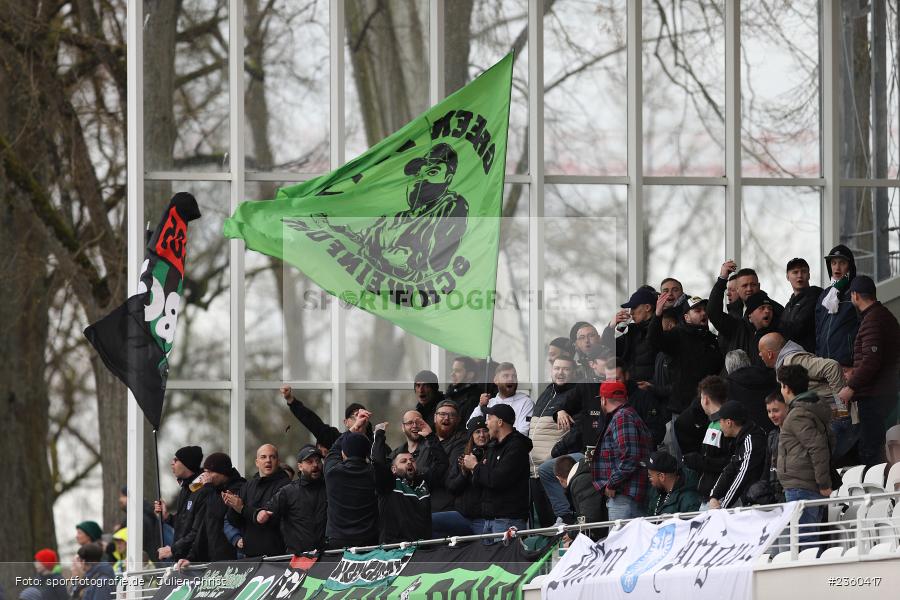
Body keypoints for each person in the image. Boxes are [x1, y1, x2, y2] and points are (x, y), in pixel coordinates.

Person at [838, 276, 900, 466]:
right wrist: (855, 371)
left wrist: (851, 385)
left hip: (875, 396)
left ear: (855, 296)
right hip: (883, 392)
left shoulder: (873, 319)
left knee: (872, 450)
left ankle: (879, 493)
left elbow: (871, 361)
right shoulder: (882, 316)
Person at [462, 404, 532, 540]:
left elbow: (497, 480)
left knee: (504, 561)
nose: (486, 423)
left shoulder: (516, 447)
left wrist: (476, 467)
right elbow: (480, 482)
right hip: (489, 519)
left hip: (508, 521)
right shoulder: (493, 446)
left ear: (500, 422)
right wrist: (476, 470)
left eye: (489, 418)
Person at [776, 364, 833, 528]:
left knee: (805, 541)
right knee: (807, 539)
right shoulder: (808, 409)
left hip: (801, 488)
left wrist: (823, 483)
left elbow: (818, 448)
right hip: (804, 486)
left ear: (786, 388)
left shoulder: (797, 414)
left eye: (781, 386)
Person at [648, 294, 724, 417]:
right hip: (682, 409)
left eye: (704, 310)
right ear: (687, 317)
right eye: (697, 311)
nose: (703, 313)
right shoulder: (677, 335)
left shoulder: (711, 339)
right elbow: (653, 339)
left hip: (709, 408)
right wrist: (657, 315)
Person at [591, 380, 652, 520]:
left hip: (625, 494)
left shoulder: (622, 417)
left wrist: (612, 483)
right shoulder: (626, 415)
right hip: (628, 494)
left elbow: (631, 456)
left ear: (604, 399)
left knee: (619, 541)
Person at [530, 355, 577, 525]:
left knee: (562, 523)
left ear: (574, 372)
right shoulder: (547, 391)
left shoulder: (575, 394)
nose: (560, 372)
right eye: (557, 368)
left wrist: (555, 453)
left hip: (555, 471)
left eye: (566, 369)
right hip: (534, 471)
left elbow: (577, 430)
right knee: (545, 526)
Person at [178, 452, 246, 566]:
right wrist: (191, 558)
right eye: (205, 472)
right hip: (214, 560)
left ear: (223, 472)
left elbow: (218, 512)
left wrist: (208, 487)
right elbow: (205, 526)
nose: (206, 476)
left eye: (210, 472)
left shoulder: (239, 487)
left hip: (233, 559)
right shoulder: (213, 490)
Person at [257, 444, 327, 554]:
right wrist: (260, 513)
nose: (315, 465)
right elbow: (267, 510)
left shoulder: (329, 488)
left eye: (318, 461)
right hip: (298, 558)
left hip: (326, 556)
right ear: (300, 466)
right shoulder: (288, 491)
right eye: (309, 462)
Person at [323, 413, 379, 549]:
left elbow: (333, 450)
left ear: (344, 453)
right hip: (368, 540)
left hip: (337, 540)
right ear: (366, 453)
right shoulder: (374, 473)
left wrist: (354, 427)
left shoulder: (332, 472)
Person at [225, 444, 291, 557]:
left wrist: (241, 508)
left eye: (272, 457)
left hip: (276, 557)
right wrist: (233, 506)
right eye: (263, 457)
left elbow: (268, 517)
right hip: (250, 557)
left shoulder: (285, 485)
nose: (268, 461)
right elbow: (235, 521)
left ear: (278, 461)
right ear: (257, 462)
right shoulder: (248, 486)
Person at [679, 376, 734, 508]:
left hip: (720, 498)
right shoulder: (712, 424)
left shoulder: (727, 424)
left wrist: (699, 461)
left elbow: (730, 462)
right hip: (709, 496)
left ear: (705, 399)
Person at [373, 424, 432, 543]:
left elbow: (442, 464)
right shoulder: (389, 484)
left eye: (412, 460)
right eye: (403, 461)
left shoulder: (423, 482)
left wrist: (431, 437)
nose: (409, 463)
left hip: (422, 549)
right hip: (395, 549)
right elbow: (378, 462)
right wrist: (379, 435)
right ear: (393, 469)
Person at [432, 417, 489, 537]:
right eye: (477, 432)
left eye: (485, 430)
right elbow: (451, 487)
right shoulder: (463, 457)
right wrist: (464, 472)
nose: (482, 435)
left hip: (484, 518)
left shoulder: (494, 454)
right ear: (471, 436)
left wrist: (476, 468)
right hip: (462, 516)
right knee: (427, 521)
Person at [708, 401, 766, 509]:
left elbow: (743, 476)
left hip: (760, 501)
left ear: (729, 422)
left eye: (720, 422)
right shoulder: (741, 439)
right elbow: (730, 469)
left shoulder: (751, 439)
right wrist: (714, 496)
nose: (720, 427)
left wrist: (723, 507)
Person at [283, 384, 370, 451]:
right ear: (346, 422)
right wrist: (291, 400)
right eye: (356, 415)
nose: (359, 420)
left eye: (362, 416)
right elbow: (312, 421)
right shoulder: (336, 439)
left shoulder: (375, 441)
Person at [155, 445, 204, 561]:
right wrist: (167, 517)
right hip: (181, 560)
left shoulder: (202, 490)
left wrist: (172, 549)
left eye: (176, 460)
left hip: (195, 562)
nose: (172, 463)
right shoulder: (185, 489)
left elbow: (197, 531)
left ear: (187, 464)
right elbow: (184, 524)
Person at [606, 357, 668, 449]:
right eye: (609, 380)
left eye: (617, 379)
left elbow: (657, 432)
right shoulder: (605, 399)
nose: (613, 383)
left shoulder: (644, 398)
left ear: (626, 375)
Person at [600, 287, 658, 381]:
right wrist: (611, 327)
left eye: (634, 307)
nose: (631, 312)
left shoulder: (661, 328)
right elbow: (608, 347)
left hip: (651, 390)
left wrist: (653, 386)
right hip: (632, 388)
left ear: (647, 307)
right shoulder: (633, 331)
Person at [815, 245, 859, 366]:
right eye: (833, 263)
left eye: (842, 263)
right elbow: (818, 331)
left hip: (847, 365)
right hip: (824, 365)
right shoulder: (825, 294)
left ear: (850, 266)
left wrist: (856, 363)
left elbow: (865, 328)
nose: (837, 267)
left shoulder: (856, 291)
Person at [391, 410, 449, 492]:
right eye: (410, 422)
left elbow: (442, 463)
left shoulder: (433, 448)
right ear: (403, 427)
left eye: (418, 422)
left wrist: (430, 436)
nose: (414, 426)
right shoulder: (396, 454)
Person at [469, 362, 533, 435]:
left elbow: (523, 432)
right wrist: (480, 405)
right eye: (506, 376)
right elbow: (470, 426)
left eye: (514, 376)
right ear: (496, 380)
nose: (511, 379)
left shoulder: (525, 402)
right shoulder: (490, 403)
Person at [724, 349, 778, 433]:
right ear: (748, 360)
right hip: (775, 428)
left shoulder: (729, 386)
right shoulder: (768, 375)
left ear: (728, 368)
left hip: (750, 435)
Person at [430, 399, 467, 513]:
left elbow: (448, 475)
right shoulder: (426, 441)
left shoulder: (462, 442)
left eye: (451, 415)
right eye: (442, 414)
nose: (446, 418)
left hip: (445, 507)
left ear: (458, 419)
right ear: (435, 418)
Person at [779, 258, 823, 352]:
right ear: (787, 277)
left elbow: (798, 328)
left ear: (809, 275)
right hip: (791, 357)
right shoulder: (788, 306)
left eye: (803, 271)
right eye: (795, 272)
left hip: (810, 357)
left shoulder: (815, 296)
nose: (800, 276)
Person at [644, 451, 700, 516]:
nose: (649, 478)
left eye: (650, 475)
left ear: (662, 477)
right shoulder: (655, 492)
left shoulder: (689, 499)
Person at [553, 455, 604, 526]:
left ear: (559, 479)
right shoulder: (583, 475)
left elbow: (589, 517)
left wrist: (572, 534)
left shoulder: (580, 483)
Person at [762, 392, 787, 502]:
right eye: (769, 411)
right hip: (774, 494)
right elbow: (767, 465)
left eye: (776, 410)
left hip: (790, 492)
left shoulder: (796, 433)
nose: (772, 415)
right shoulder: (772, 435)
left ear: (787, 407)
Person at [445, 356, 481, 420]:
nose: (452, 374)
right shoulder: (450, 393)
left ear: (470, 375)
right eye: (453, 370)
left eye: (457, 371)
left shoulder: (474, 398)